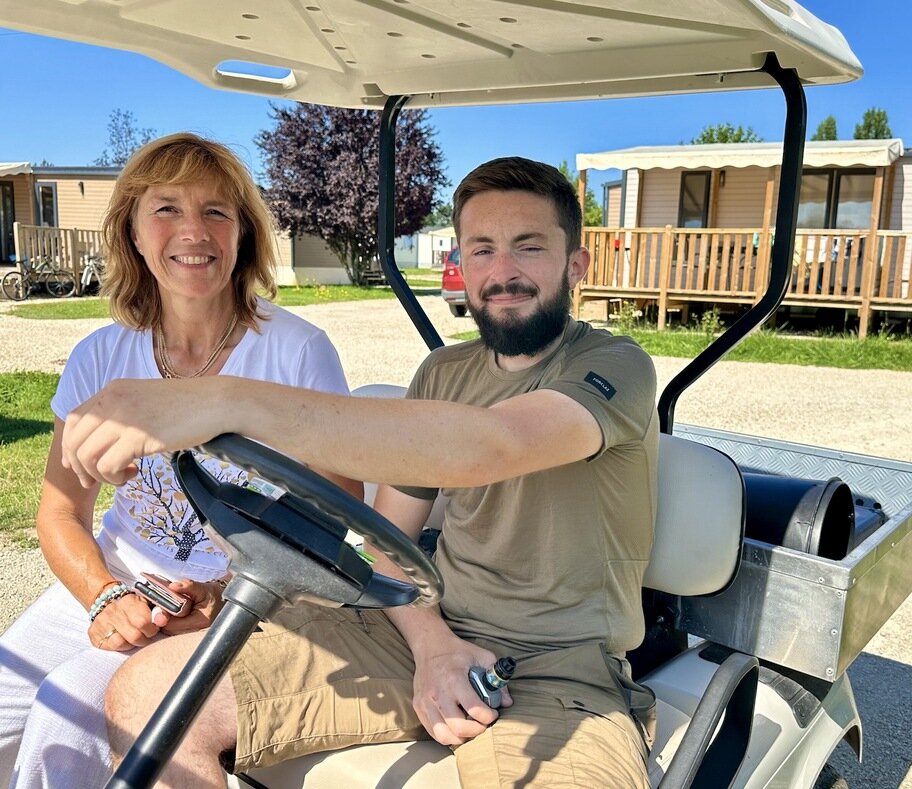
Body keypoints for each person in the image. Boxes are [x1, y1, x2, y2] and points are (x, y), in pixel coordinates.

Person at [63, 156, 659, 788]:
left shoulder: (616, 366)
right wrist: (432, 643)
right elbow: (378, 536)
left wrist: (225, 401)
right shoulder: (444, 373)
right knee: (152, 695)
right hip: (414, 633)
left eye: (528, 247)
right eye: (482, 249)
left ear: (576, 266)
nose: (502, 271)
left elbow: (494, 444)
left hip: (559, 666)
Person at [0, 132, 360, 789]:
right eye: (166, 209)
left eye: (217, 211)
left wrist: (221, 593)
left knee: (66, 711)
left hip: (244, 599)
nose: (193, 230)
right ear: (132, 233)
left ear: (244, 236)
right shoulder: (99, 358)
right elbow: (58, 512)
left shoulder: (298, 352)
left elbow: (334, 517)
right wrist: (104, 594)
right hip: (115, 581)